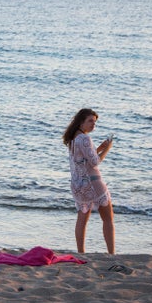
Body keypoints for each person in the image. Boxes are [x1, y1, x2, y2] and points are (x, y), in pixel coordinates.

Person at [63, 108, 115, 254]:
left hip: (78, 185)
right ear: (81, 121)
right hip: (93, 182)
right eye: (90, 121)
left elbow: (82, 159)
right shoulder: (85, 139)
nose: (93, 124)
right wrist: (108, 149)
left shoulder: (73, 138)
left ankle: (81, 252)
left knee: (82, 218)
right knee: (108, 219)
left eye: (95, 122)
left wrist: (99, 148)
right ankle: (111, 253)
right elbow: (95, 162)